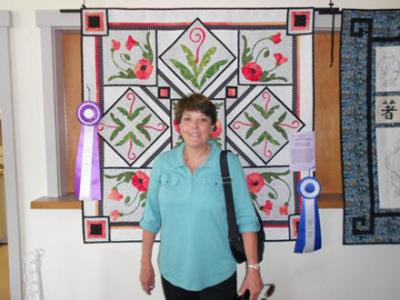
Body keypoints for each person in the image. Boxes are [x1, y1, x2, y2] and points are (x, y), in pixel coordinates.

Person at [139, 94, 263, 300]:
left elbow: (247, 220)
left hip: (219, 273)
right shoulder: (164, 163)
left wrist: (253, 269)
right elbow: (151, 218)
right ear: (178, 125)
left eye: (203, 119)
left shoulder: (228, 162)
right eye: (187, 118)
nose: (194, 126)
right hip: (173, 272)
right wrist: (145, 264)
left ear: (213, 127)